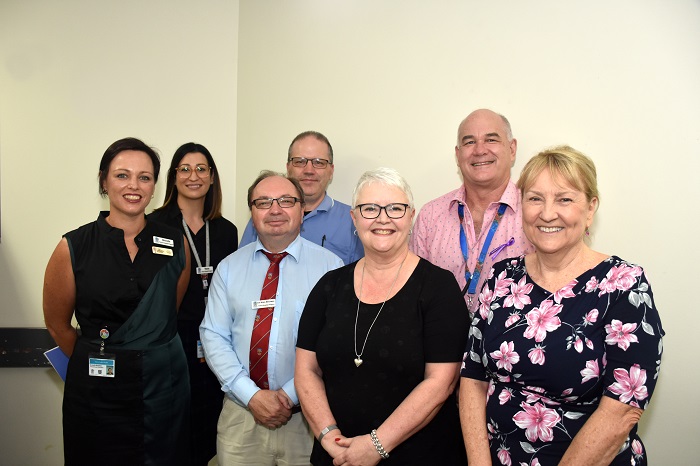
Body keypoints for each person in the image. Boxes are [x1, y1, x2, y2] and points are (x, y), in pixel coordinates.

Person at [459, 145, 664, 465]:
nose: (547, 212)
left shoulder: (624, 286)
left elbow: (621, 410)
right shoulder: (501, 277)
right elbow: (472, 377)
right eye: (535, 198)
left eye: (564, 199)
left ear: (590, 208)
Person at [296, 167, 470, 466]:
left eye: (395, 208)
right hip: (338, 454)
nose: (383, 218)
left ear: (411, 215)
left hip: (418, 456)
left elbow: (441, 382)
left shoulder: (439, 288)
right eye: (370, 208)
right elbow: (306, 370)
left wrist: (376, 445)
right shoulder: (328, 286)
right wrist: (329, 437)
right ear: (354, 218)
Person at [43, 137, 191, 465]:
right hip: (97, 395)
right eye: (122, 175)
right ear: (104, 181)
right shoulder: (73, 246)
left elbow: (169, 312)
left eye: (145, 177)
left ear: (154, 186)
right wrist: (104, 357)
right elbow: (57, 325)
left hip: (162, 391)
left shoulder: (175, 242)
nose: (133, 185)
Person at [200, 171, 343, 465]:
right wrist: (251, 396)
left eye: (286, 201)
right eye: (264, 202)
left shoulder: (332, 269)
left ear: (302, 209)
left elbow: (333, 342)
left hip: (310, 417)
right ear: (252, 212)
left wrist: (288, 397)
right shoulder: (228, 268)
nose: (275, 210)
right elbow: (213, 335)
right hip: (241, 416)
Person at [148, 142, 238, 465]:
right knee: (173, 427)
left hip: (216, 339)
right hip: (171, 340)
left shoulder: (227, 231)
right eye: (184, 169)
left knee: (209, 426)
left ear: (212, 178)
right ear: (173, 178)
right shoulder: (155, 226)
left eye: (201, 169)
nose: (193, 176)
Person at [410, 109, 534, 312]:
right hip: (442, 340)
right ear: (458, 155)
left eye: (491, 139)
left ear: (512, 149)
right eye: (469, 142)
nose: (479, 150)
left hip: (512, 341)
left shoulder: (535, 212)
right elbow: (414, 293)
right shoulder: (430, 216)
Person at [240, 131, 363, 264]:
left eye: (319, 162)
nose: (309, 170)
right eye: (300, 161)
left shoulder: (353, 220)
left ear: (331, 171)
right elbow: (242, 266)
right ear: (288, 168)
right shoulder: (266, 215)